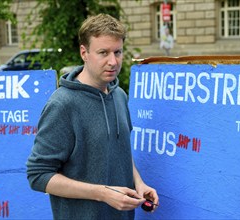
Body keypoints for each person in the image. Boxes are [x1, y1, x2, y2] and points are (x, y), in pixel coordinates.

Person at [26, 13, 159, 220]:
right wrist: (103, 193)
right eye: (103, 52)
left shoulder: (119, 96)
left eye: (118, 52)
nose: (113, 61)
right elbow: (38, 176)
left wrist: (139, 183)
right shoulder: (62, 105)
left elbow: (120, 151)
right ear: (84, 52)